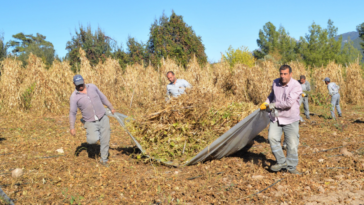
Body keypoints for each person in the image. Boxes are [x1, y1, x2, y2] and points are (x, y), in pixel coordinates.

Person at [260, 65, 302, 175]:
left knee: (292, 144)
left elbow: (288, 104)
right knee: (272, 138)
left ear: (290, 74)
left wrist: (273, 105)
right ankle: (281, 161)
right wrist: (266, 102)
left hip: (290, 118)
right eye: (281, 74)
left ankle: (291, 167)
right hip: (276, 117)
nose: (282, 76)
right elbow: (271, 96)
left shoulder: (296, 86)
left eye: (285, 74)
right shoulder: (275, 83)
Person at [69, 75, 115, 167]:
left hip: (102, 117)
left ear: (84, 80)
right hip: (89, 120)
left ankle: (104, 159)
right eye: (78, 85)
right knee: (92, 140)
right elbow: (72, 112)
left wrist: (111, 107)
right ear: (74, 84)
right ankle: (86, 124)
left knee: (105, 139)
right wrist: (72, 127)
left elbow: (103, 97)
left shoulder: (93, 87)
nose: (80, 86)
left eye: (81, 83)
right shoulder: (74, 97)